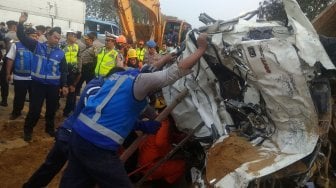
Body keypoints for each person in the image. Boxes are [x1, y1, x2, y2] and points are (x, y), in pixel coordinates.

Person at [59, 32, 208, 187]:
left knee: (75, 183)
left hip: (78, 135)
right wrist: (201, 50)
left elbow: (116, 113)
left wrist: (164, 59)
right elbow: (172, 73)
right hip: (98, 145)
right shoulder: (141, 82)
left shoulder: (119, 77)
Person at [22, 68, 161, 188]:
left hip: (70, 133)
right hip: (75, 137)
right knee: (78, 177)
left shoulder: (101, 85)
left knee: (53, 168)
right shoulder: (98, 88)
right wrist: (140, 124)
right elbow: (103, 117)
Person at [18, 13, 68, 141]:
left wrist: (64, 85)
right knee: (34, 110)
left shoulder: (61, 53)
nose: (57, 40)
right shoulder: (37, 46)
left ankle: (49, 129)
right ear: (49, 36)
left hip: (53, 87)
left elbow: (63, 71)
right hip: (38, 85)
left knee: (51, 110)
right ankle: (28, 131)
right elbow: (22, 37)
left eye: (59, 38)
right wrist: (20, 23)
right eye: (55, 37)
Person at [6, 27, 38, 120]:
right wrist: (8, 73)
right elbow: (10, 59)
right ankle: (16, 113)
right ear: (26, 36)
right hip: (20, 77)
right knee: (19, 97)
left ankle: (34, 113)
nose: (35, 38)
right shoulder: (16, 45)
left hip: (35, 78)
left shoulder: (38, 46)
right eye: (33, 36)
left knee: (35, 98)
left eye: (36, 36)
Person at [75, 32, 103, 96]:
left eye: (86, 39)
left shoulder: (94, 48)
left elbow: (97, 58)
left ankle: (89, 95)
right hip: (83, 67)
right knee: (79, 82)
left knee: (89, 83)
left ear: (90, 40)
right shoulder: (86, 46)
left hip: (89, 68)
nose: (85, 40)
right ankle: (77, 93)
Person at [62, 30, 81, 117]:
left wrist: (79, 70)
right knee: (60, 89)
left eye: (75, 35)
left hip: (72, 71)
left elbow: (79, 59)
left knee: (72, 91)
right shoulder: (62, 45)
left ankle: (68, 110)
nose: (75, 37)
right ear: (68, 36)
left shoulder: (77, 46)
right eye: (73, 35)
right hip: (62, 70)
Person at [0, 20, 18, 107]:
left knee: (4, 79)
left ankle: (4, 100)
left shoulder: (6, 35)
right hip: (19, 60)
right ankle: (18, 103)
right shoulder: (21, 36)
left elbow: (3, 46)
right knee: (19, 81)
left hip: (9, 59)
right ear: (15, 27)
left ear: (10, 26)